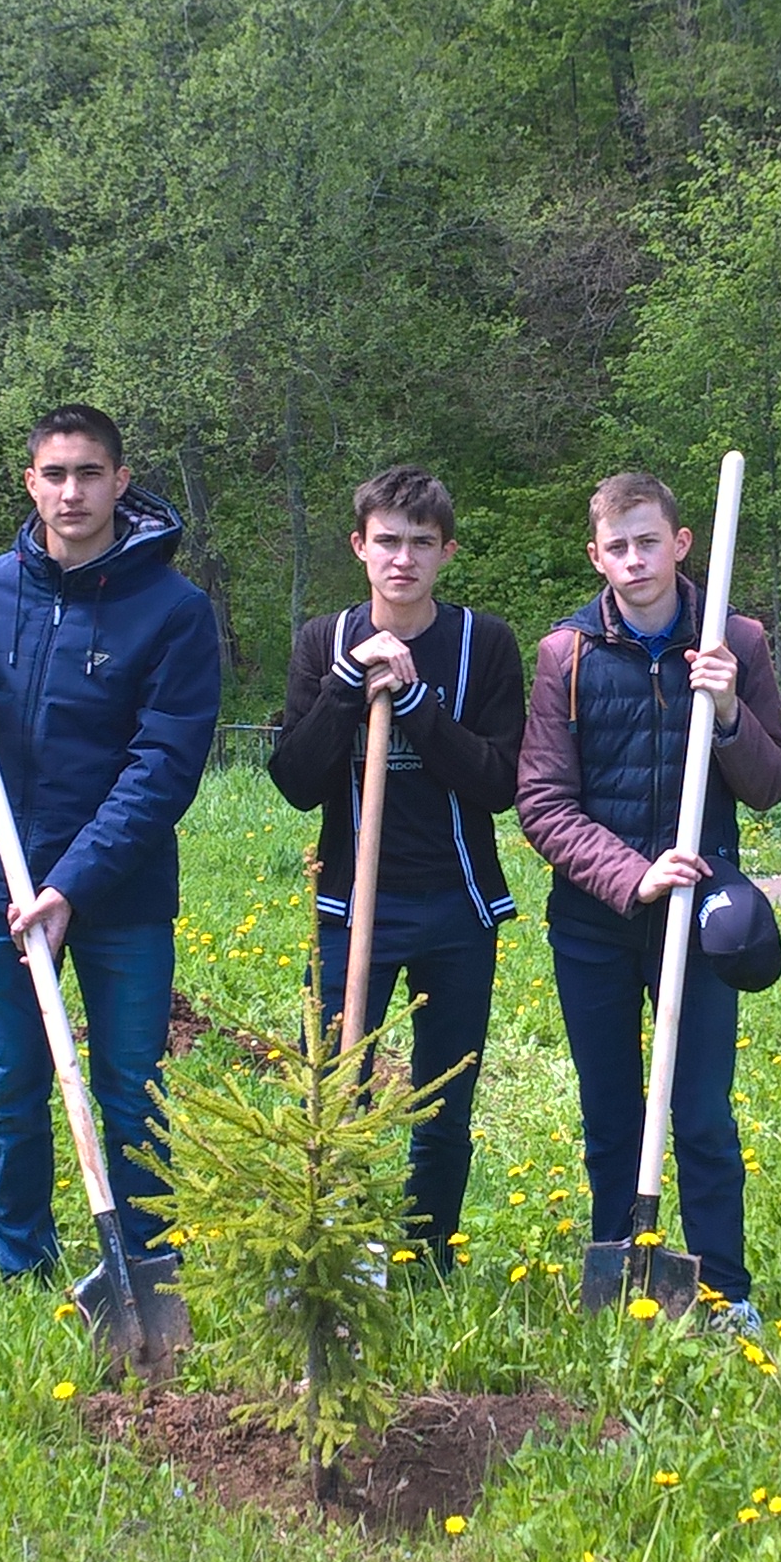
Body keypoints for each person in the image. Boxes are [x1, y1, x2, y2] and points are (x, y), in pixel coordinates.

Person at [0, 404, 222, 1281]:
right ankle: (22, 1262)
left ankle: (144, 1263)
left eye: (90, 473)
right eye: (54, 474)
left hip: (120, 895)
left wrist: (74, 886)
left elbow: (163, 767)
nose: (71, 492)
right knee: (12, 1084)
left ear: (121, 483)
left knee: (131, 1091)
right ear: (31, 484)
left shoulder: (173, 610)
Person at [516, 469, 781, 1333]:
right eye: (617, 547)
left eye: (650, 542)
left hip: (703, 922)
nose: (634, 560)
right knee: (611, 1111)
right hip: (598, 922)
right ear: (596, 556)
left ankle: (724, 1293)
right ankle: (618, 1270)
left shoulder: (735, 642)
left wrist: (729, 710)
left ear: (681, 543)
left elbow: (773, 783)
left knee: (702, 1112)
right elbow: (542, 801)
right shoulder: (565, 655)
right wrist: (632, 873)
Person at [267, 467, 525, 1276]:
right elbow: (295, 781)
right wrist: (348, 687)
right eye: (387, 541)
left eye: (421, 543)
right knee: (340, 1092)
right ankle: (341, 1253)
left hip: (457, 906)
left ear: (446, 551)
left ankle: (428, 1256)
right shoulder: (323, 641)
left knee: (445, 1100)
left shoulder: (486, 644)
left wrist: (416, 706)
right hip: (354, 906)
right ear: (359, 547)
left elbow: (499, 784)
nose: (402, 559)